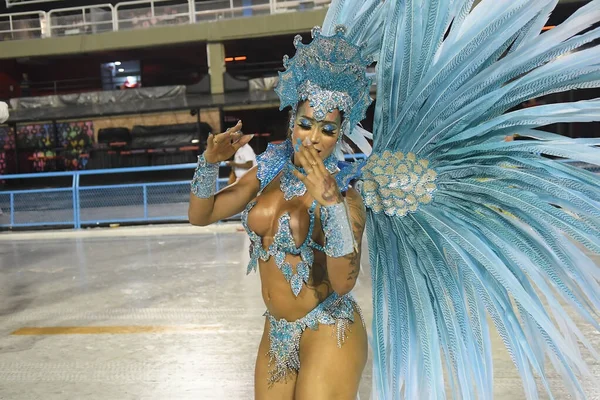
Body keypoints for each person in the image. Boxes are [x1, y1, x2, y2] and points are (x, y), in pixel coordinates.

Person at [190, 0, 600, 398]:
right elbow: (201, 215)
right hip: (276, 333)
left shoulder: (348, 192)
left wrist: (331, 206)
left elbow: (342, 281)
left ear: (342, 132)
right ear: (292, 119)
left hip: (328, 330)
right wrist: (209, 164)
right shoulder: (267, 169)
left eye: (328, 130)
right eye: (306, 123)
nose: (314, 137)